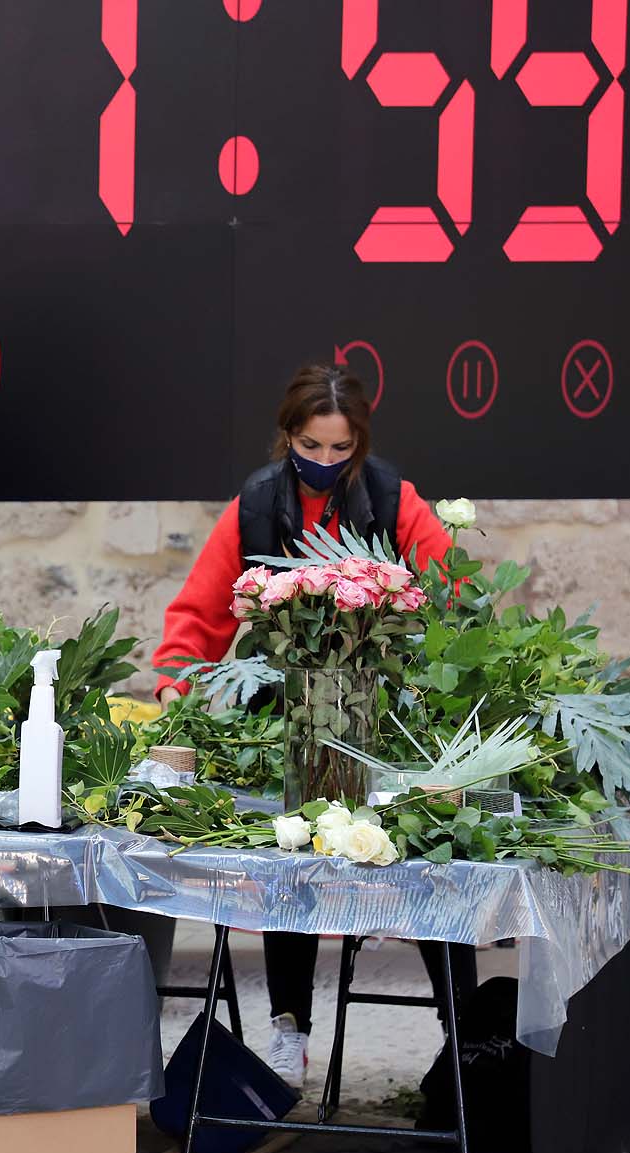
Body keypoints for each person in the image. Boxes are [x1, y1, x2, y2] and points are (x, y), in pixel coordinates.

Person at [152, 362, 475, 1088]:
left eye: (340, 449)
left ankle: (465, 1036)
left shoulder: (394, 498)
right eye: (311, 446)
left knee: (430, 862)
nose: (325, 463)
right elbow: (198, 615)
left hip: (386, 719)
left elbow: (456, 603)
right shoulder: (257, 504)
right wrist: (178, 684)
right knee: (288, 862)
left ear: (358, 443)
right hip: (282, 721)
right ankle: (287, 1032)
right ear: (287, 436)